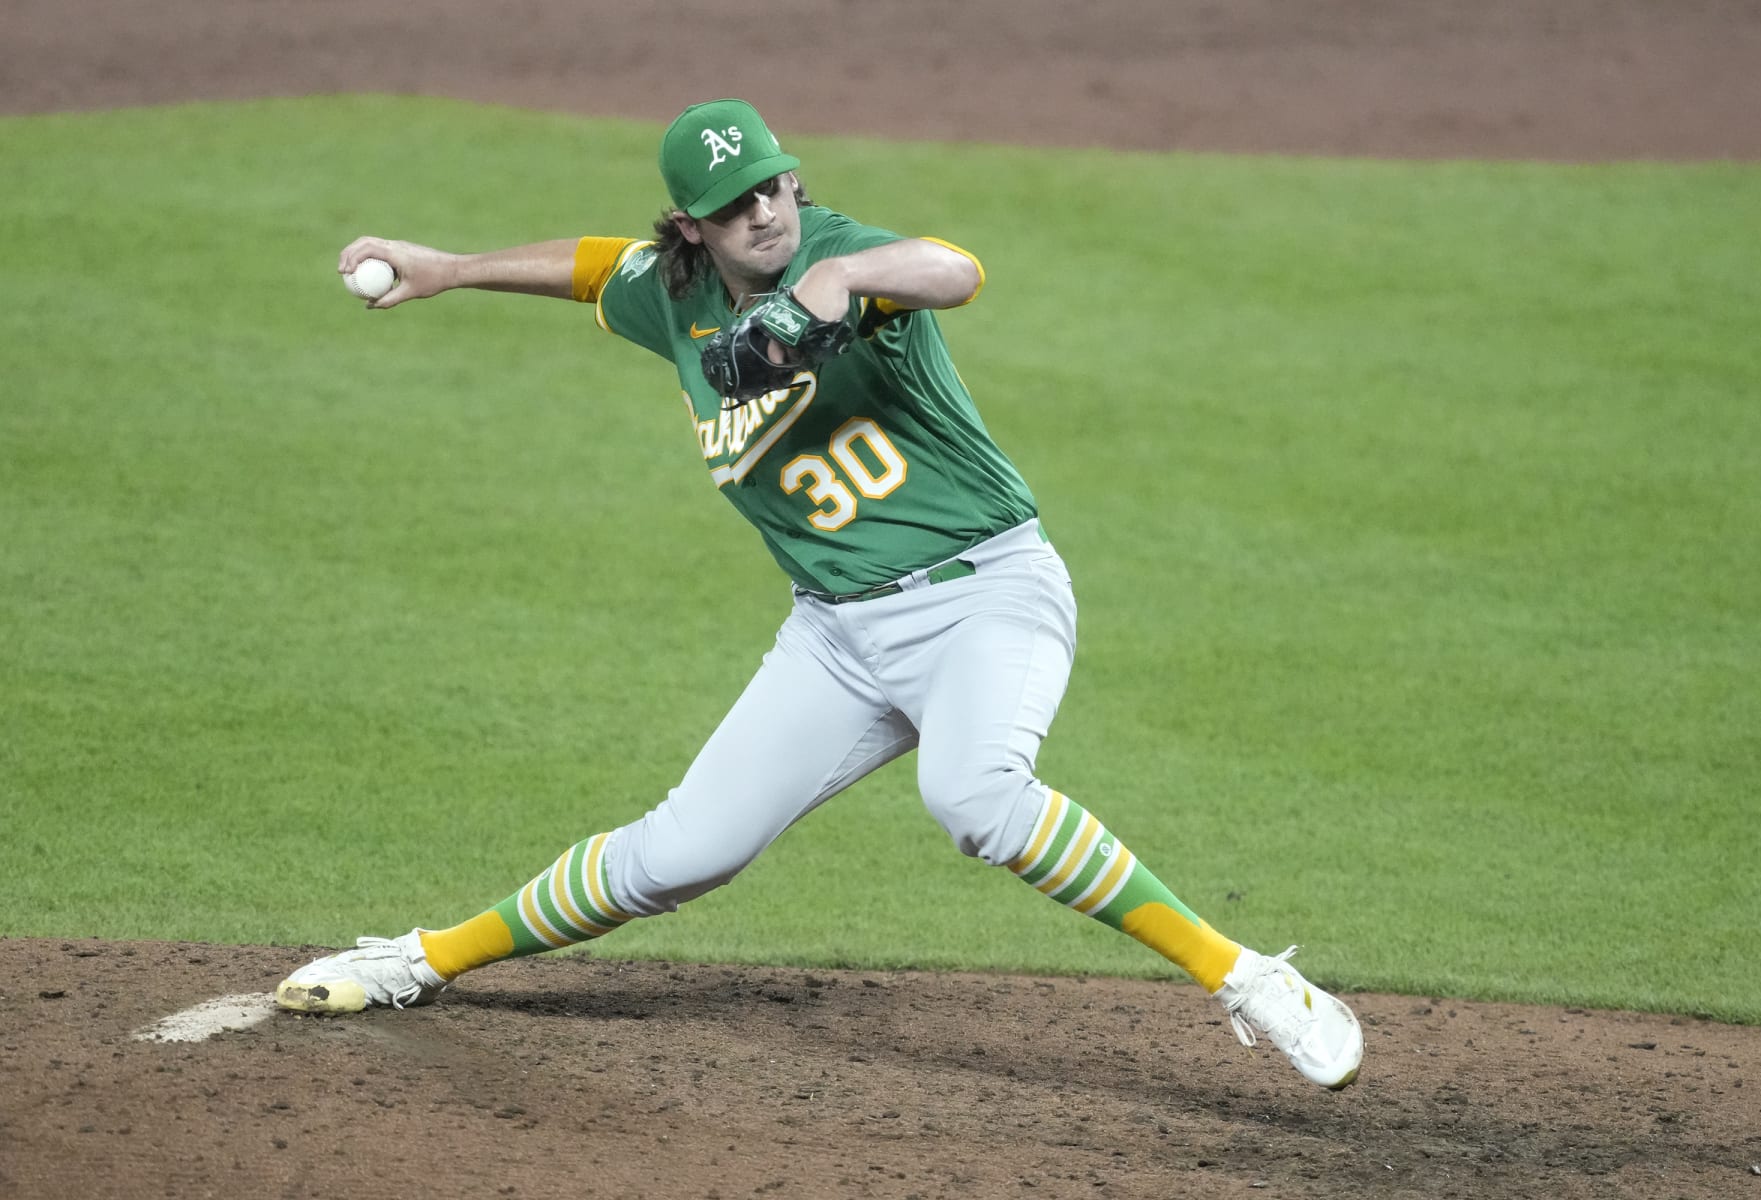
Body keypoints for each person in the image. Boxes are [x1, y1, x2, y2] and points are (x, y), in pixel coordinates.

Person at [276, 98, 1363, 1091]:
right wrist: (452, 268)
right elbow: (601, 269)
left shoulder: (842, 252)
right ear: (691, 227)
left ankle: (1252, 978)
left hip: (982, 594)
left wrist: (835, 285)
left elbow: (956, 270)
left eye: (771, 186)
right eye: (730, 204)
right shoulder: (678, 293)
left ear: (793, 180)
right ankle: (420, 959)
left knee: (975, 796)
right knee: (682, 852)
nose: (762, 214)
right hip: (836, 637)